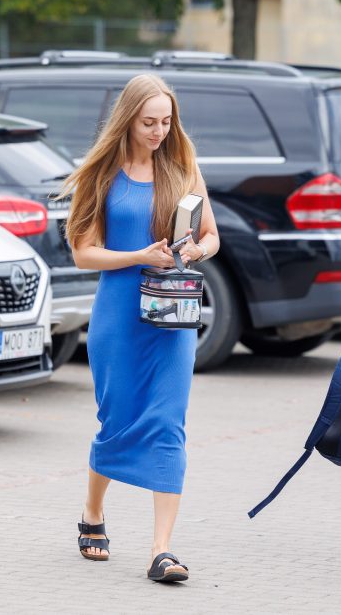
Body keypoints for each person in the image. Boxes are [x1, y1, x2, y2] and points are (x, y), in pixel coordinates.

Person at [60, 73, 219, 583]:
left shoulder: (183, 168)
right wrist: (138, 255)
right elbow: (84, 253)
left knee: (169, 422)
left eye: (166, 121)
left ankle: (162, 550)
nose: (158, 131)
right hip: (119, 315)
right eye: (149, 122)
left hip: (172, 316)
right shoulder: (101, 177)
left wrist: (196, 249)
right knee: (118, 420)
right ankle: (93, 514)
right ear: (128, 120)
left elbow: (211, 236)